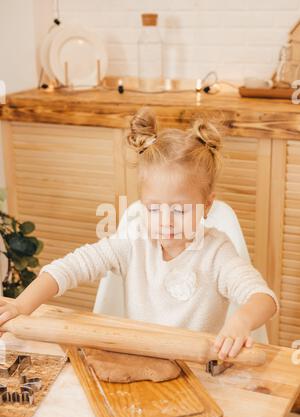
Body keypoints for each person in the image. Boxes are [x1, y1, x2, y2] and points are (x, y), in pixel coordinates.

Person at [0, 107, 279, 360]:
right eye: (154, 209)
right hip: (140, 358)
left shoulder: (217, 252)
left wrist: (241, 321)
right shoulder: (134, 241)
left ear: (207, 205)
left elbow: (263, 297)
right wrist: (21, 305)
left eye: (180, 211)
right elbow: (71, 266)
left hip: (196, 366)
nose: (165, 222)